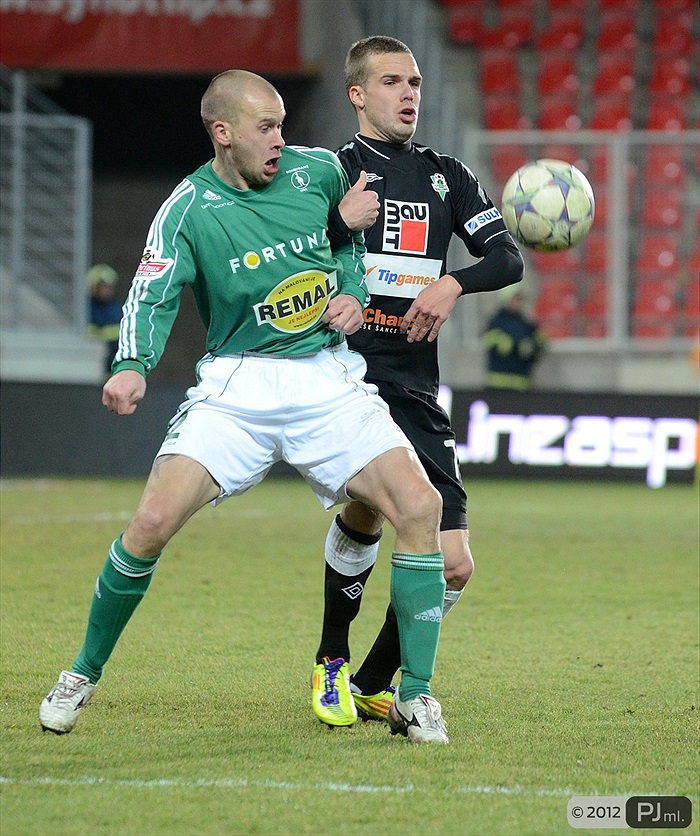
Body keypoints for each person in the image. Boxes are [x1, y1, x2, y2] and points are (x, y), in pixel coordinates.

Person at [39, 69, 450, 745]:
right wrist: (132, 365)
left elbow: (349, 244)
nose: (281, 139)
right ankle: (81, 674)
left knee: (420, 506)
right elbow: (152, 289)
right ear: (223, 133)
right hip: (238, 386)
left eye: (283, 124)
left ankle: (416, 696)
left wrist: (352, 289)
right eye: (266, 127)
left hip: (324, 379)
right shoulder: (188, 208)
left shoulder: (318, 172)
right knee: (151, 522)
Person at [312, 36, 524, 724]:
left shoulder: (446, 176)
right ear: (357, 94)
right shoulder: (330, 172)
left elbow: (507, 258)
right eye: (392, 82)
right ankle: (331, 663)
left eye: (415, 82)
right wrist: (334, 224)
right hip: (345, 377)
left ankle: (371, 680)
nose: (408, 94)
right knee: (372, 507)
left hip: (416, 386)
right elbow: (290, 253)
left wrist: (453, 283)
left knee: (454, 563)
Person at [483, 285, 547, 390]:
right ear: (505, 300)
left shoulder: (526, 323)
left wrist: (533, 346)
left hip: (521, 383)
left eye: (519, 299)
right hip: (498, 384)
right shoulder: (496, 322)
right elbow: (491, 342)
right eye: (514, 299)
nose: (517, 302)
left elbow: (540, 340)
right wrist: (516, 346)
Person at [87, 262, 122, 377]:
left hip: (113, 365)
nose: (106, 290)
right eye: (103, 286)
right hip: (93, 364)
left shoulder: (117, 308)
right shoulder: (84, 309)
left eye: (109, 286)